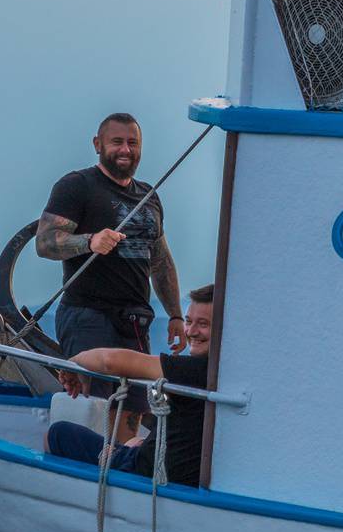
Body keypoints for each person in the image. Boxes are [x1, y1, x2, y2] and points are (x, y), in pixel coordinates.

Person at [35, 112, 185, 434]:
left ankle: (117, 472)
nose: (125, 150)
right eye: (117, 142)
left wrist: (175, 315)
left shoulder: (149, 196)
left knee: (132, 409)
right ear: (97, 144)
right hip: (88, 315)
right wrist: (90, 241)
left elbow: (160, 260)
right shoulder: (77, 185)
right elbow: (45, 242)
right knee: (96, 405)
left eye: (133, 143)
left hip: (135, 321)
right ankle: (85, 465)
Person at [45, 300, 212, 485]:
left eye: (203, 324)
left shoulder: (195, 370)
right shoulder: (229, 374)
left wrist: (74, 362)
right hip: (174, 469)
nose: (191, 331)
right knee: (134, 440)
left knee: (57, 434)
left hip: (145, 469)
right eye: (188, 322)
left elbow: (110, 361)